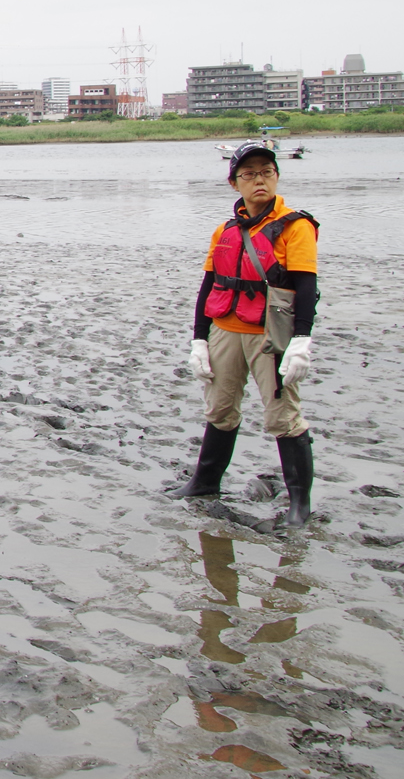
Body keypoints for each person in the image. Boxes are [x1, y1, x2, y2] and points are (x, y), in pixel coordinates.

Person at [170, 142, 320, 527]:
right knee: (219, 409)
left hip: (268, 335)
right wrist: (199, 339)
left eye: (267, 172)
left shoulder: (296, 227)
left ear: (277, 177)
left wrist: (302, 340)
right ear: (234, 182)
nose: (259, 180)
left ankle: (299, 505)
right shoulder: (225, 230)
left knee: (282, 416)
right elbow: (209, 286)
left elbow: (305, 286)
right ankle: (205, 482)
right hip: (224, 331)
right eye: (249, 174)